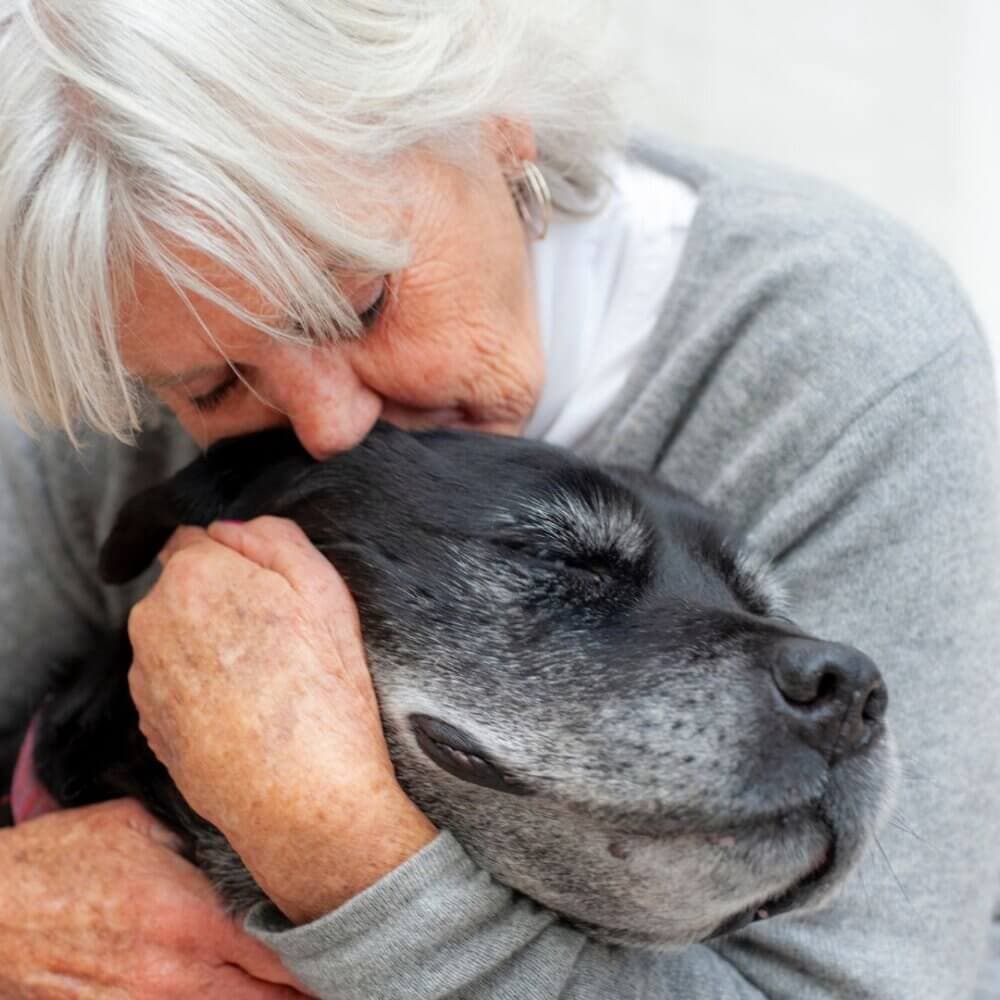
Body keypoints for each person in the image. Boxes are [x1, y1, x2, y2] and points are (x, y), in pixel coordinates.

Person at [1, 2, 999, 998]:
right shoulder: (119, 355)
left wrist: (333, 845)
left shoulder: (848, 354)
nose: (331, 430)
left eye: (363, 303)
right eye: (216, 388)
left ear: (495, 122)